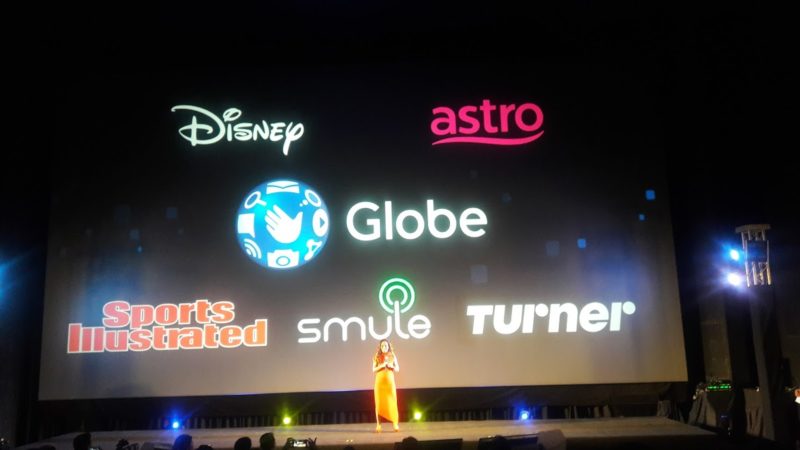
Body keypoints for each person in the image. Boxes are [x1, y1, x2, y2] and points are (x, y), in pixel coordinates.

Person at [372, 339, 400, 432]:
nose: (384, 347)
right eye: (382, 345)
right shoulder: (376, 356)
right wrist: (382, 365)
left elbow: (397, 369)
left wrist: (392, 366)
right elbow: (373, 369)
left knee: (392, 401)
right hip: (379, 383)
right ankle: (378, 425)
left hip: (390, 382)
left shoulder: (392, 355)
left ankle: (395, 424)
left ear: (388, 346)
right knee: (379, 403)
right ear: (380, 347)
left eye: (386, 345)